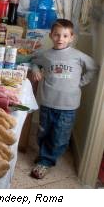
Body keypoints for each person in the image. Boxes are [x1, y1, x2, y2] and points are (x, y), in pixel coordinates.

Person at [30, 19, 98, 179]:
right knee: (43, 132)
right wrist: (35, 69)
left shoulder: (78, 56)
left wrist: (80, 82)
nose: (60, 39)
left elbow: (93, 67)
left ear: (71, 37)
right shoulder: (46, 55)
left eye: (65, 36)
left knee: (60, 136)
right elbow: (34, 61)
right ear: (51, 36)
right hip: (48, 102)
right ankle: (44, 155)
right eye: (57, 35)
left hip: (68, 106)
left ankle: (46, 161)